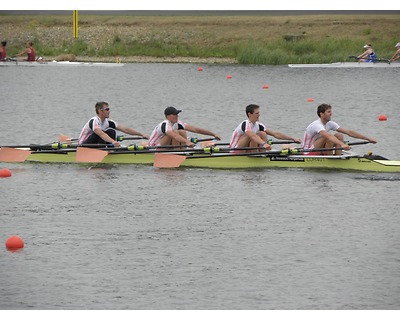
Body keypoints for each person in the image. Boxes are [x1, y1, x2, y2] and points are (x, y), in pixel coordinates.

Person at [303, 103, 377, 155]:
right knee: (327, 136)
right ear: (321, 114)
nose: (331, 113)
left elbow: (349, 132)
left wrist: (368, 139)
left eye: (330, 111)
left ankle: (337, 157)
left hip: (320, 148)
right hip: (308, 151)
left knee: (339, 135)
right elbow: (328, 136)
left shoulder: (330, 123)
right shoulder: (317, 124)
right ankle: (330, 159)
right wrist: (342, 144)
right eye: (328, 112)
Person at [229, 104, 301, 152]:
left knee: (262, 133)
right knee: (252, 135)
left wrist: (292, 138)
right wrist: (264, 144)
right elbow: (253, 136)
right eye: (256, 113)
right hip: (235, 150)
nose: (259, 115)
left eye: (259, 113)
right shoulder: (245, 124)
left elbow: (275, 134)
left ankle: (261, 154)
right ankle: (256, 155)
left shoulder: (258, 125)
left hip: (246, 149)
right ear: (249, 114)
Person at [78, 101, 150, 147]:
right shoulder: (94, 121)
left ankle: (108, 149)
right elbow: (101, 134)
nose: (109, 111)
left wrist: (141, 134)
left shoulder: (108, 122)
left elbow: (125, 129)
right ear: (100, 111)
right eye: (107, 109)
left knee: (111, 131)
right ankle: (104, 150)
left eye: (108, 109)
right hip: (84, 145)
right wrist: (113, 141)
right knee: (101, 133)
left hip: (96, 144)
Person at [149, 106, 221, 148]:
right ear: (168, 116)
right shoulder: (165, 124)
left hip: (165, 146)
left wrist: (213, 134)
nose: (177, 116)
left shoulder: (178, 123)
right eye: (174, 114)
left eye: (177, 114)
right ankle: (177, 153)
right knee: (175, 132)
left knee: (182, 131)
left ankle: (182, 151)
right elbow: (174, 136)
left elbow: (195, 129)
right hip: (154, 147)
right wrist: (187, 142)